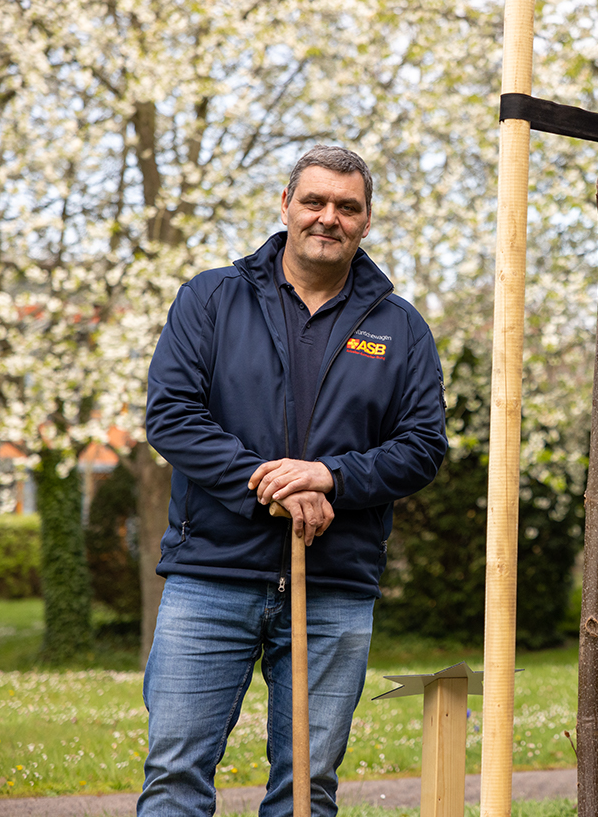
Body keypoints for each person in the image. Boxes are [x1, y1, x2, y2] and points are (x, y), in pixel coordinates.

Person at [139, 145, 448, 816]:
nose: (328, 217)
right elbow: (171, 414)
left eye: (347, 206)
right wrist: (270, 480)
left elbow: (422, 447)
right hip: (210, 576)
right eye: (314, 201)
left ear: (366, 221)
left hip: (334, 586)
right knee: (175, 774)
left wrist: (330, 475)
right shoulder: (212, 299)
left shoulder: (401, 329)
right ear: (285, 206)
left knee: (307, 789)